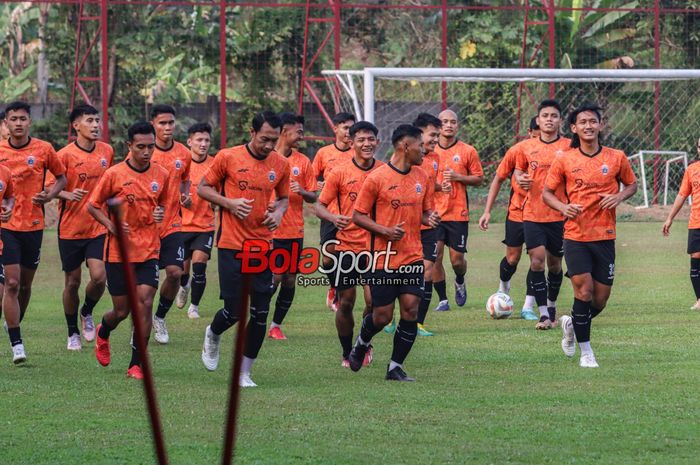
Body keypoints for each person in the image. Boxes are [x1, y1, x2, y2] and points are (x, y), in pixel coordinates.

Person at [199, 111, 289, 388]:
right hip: (230, 244)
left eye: (274, 140)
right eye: (264, 139)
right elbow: (203, 188)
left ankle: (243, 372)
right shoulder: (227, 157)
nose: (269, 145)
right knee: (234, 311)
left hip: (262, 245)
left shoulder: (281, 164)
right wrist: (229, 203)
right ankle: (213, 333)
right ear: (252, 132)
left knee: (261, 312)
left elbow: (284, 198)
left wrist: (278, 214)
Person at [543, 103, 637, 368]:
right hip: (575, 236)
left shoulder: (616, 157)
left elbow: (631, 184)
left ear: (600, 125)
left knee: (600, 299)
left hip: (605, 236)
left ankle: (572, 324)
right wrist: (564, 207)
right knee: (583, 292)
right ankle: (586, 352)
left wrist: (618, 196)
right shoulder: (564, 158)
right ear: (574, 128)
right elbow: (547, 193)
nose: (588, 126)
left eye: (592, 121)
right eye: (582, 122)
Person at [349, 124, 440, 382]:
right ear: (405, 146)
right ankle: (361, 342)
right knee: (381, 316)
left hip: (413, 256)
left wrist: (430, 218)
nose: (424, 150)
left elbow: (425, 212)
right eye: (420, 145)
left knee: (411, 310)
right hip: (383, 259)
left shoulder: (423, 177)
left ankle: (395, 367)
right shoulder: (377, 178)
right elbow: (357, 215)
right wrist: (385, 231)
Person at [88, 121, 169, 379]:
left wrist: (160, 212)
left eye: (151, 147)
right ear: (129, 146)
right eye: (141, 147)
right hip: (119, 253)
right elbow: (93, 205)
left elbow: (165, 205)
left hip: (149, 250)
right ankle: (104, 331)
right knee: (122, 311)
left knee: (144, 303)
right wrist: (111, 225)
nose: (147, 152)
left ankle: (136, 364)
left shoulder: (162, 175)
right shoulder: (114, 174)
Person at [0, 101, 67, 364]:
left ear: (30, 121)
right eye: (13, 119)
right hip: (5, 228)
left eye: (22, 119)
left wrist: (49, 194)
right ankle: (17, 344)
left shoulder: (44, 149)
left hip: (33, 226)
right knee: (13, 283)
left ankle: (13, 322)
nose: (18, 123)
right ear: (5, 123)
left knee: (25, 285)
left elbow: (62, 177)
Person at [316, 121, 383, 367]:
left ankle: (362, 343)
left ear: (378, 142)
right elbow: (319, 206)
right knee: (345, 303)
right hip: (346, 248)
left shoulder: (385, 171)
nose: (366, 144)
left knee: (374, 304)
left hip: (376, 249)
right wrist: (334, 218)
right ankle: (347, 352)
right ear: (351, 143)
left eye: (370, 139)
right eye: (361, 140)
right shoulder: (339, 173)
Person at [53, 104, 113, 350]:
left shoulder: (107, 151)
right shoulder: (64, 155)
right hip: (70, 229)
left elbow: (112, 182)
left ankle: (86, 311)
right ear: (76, 125)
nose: (96, 125)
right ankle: (72, 332)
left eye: (97, 120)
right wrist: (68, 195)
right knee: (72, 283)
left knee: (99, 278)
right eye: (90, 120)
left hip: (98, 226)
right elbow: (50, 188)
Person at [385, 113, 447, 336]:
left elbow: (428, 190)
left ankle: (418, 322)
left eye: (437, 136)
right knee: (398, 273)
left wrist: (430, 213)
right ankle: (389, 317)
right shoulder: (404, 161)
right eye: (432, 135)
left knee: (427, 272)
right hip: (403, 226)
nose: (434, 141)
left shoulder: (435, 158)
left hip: (428, 224)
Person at [513, 100, 571, 329]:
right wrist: (520, 178)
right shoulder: (526, 147)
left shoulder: (569, 146)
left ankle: (552, 303)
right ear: (538, 120)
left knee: (555, 265)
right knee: (537, 262)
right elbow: (518, 170)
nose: (549, 119)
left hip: (559, 215)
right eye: (545, 115)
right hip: (533, 214)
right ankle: (544, 315)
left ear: (560, 120)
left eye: (554, 116)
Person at [478, 117, 540, 319]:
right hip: (517, 213)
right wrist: (487, 211)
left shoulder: (559, 150)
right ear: (530, 131)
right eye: (537, 131)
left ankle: (528, 307)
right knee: (512, 258)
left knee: (537, 260)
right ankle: (503, 286)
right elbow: (498, 179)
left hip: (543, 216)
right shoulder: (517, 150)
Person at [267, 112, 316, 340]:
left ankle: (276, 325)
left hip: (294, 230)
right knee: (274, 277)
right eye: (299, 132)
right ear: (284, 131)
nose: (301, 137)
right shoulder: (265, 157)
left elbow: (313, 196)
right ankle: (257, 315)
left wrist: (302, 191)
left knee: (289, 278)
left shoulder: (303, 162)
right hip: (269, 231)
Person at [148, 105, 192, 345]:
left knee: (175, 273)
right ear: (153, 124)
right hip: (145, 227)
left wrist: (185, 196)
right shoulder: (144, 150)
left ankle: (160, 317)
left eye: (171, 123)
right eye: (162, 123)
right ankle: (141, 322)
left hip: (173, 223)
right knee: (147, 283)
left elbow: (185, 180)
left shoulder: (184, 153)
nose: (167, 127)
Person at [432, 109, 483, 311]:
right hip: (434, 214)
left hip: (458, 213)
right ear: (438, 125)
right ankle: (443, 300)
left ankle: (460, 280)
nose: (449, 125)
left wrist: (458, 177)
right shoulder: (428, 152)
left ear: (457, 125)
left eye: (453, 121)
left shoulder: (468, 151)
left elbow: (479, 179)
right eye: (444, 121)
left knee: (457, 260)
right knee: (435, 256)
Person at [311, 112, 356, 312]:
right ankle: (334, 287)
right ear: (335, 129)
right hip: (330, 214)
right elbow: (310, 178)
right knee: (328, 257)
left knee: (353, 258)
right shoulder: (324, 153)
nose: (349, 132)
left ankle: (347, 294)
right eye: (346, 128)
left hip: (353, 216)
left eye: (351, 128)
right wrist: (317, 184)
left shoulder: (358, 152)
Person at [175, 123, 216, 319]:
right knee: (181, 269)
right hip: (180, 226)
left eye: (207, 140)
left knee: (199, 265)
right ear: (189, 141)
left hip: (205, 225)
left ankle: (194, 307)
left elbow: (221, 191)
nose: (203, 144)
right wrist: (181, 199)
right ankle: (184, 286)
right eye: (199, 140)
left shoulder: (216, 164)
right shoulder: (181, 163)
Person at [662, 136, 700, 309]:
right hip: (696, 223)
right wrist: (670, 218)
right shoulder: (692, 170)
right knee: (696, 260)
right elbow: (682, 195)